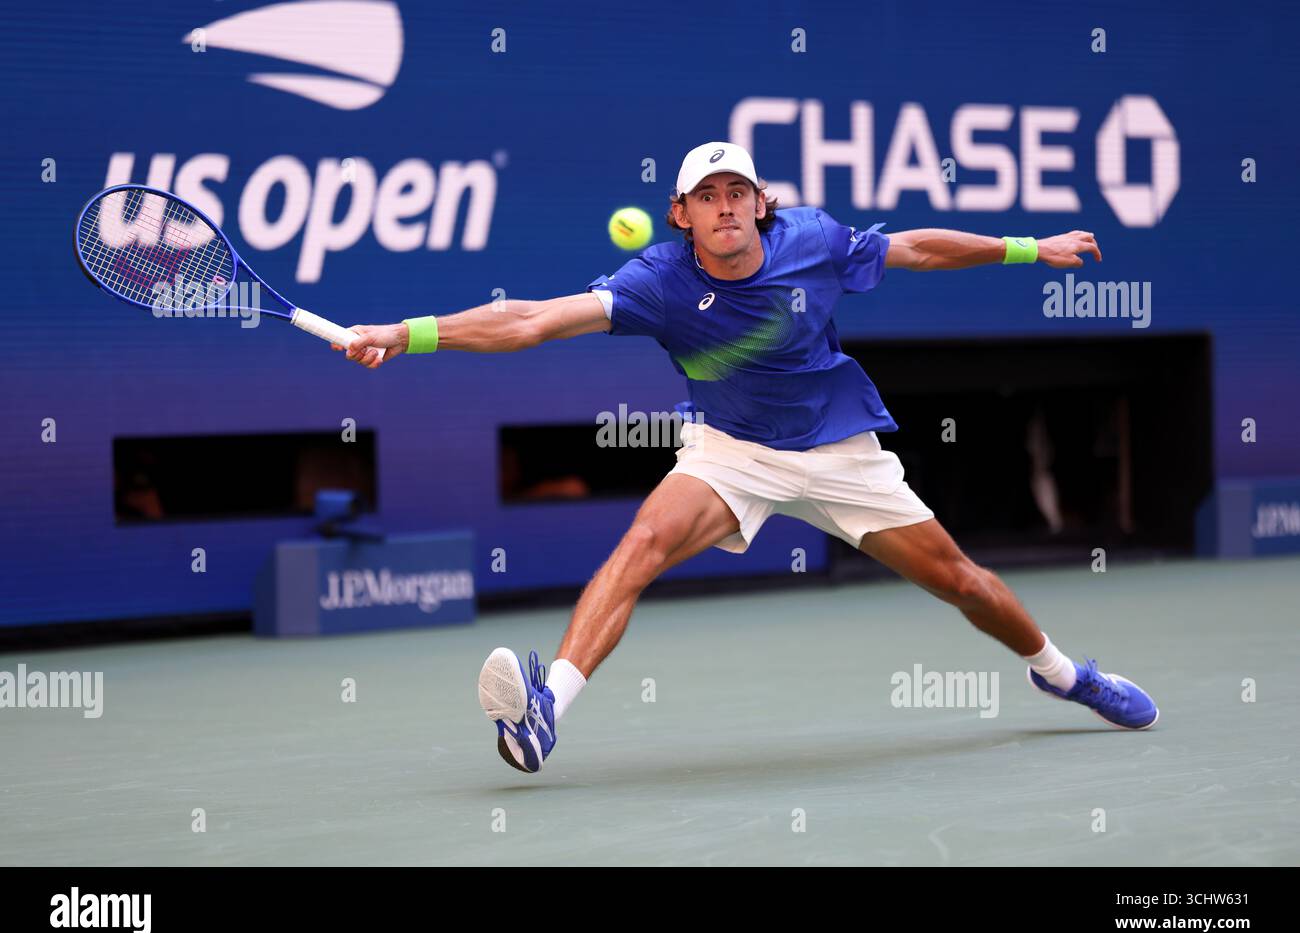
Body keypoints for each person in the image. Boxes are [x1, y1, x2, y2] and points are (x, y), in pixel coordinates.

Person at [336, 141, 1159, 774]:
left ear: (761, 204)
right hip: (732, 450)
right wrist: (403, 335)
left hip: (839, 449)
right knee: (641, 547)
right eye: (706, 196)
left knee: (962, 582)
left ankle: (1060, 673)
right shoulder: (656, 282)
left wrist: (1028, 248)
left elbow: (916, 249)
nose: (724, 206)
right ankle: (548, 705)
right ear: (681, 213)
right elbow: (530, 321)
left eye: (737, 192)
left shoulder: (814, 240)